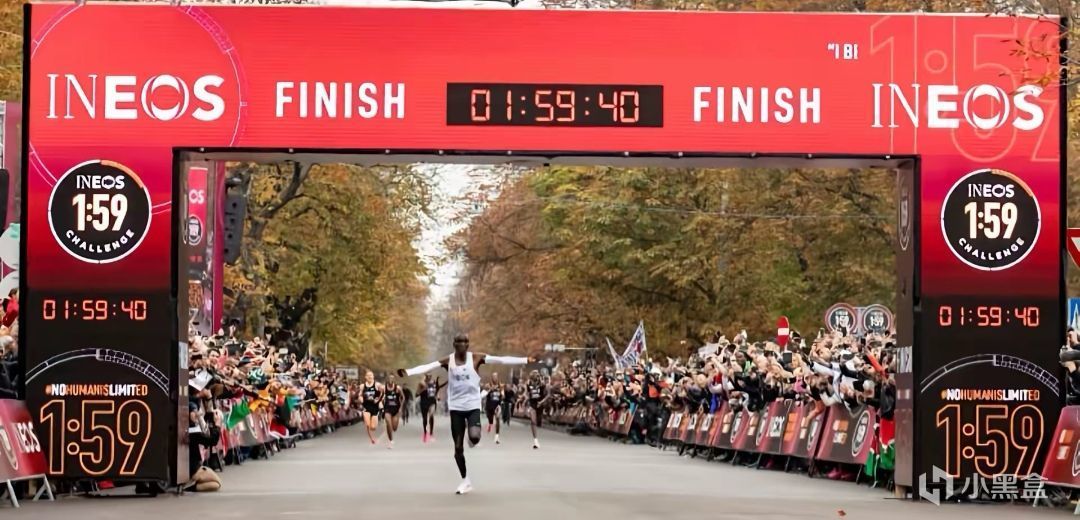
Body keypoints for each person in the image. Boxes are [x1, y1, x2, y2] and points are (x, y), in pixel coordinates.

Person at [398, 334, 533, 495]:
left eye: (464, 342)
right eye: (458, 342)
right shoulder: (448, 361)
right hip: (456, 407)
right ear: (454, 344)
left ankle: (472, 437)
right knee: (457, 448)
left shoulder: (476, 358)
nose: (461, 345)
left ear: (468, 345)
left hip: (472, 405)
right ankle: (465, 480)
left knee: (474, 437)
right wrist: (408, 371)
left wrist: (525, 360)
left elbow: (500, 360)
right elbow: (428, 366)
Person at [418, 375, 446, 443]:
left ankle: (431, 433)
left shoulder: (433, 382)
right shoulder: (421, 383)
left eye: (430, 376)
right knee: (425, 419)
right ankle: (425, 432)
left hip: (432, 401)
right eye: (428, 376)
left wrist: (437, 396)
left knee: (431, 415)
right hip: (424, 402)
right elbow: (417, 393)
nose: (429, 377)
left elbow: (436, 390)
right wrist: (423, 388)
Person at [526, 370, 550, 449]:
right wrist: (527, 404)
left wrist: (541, 402)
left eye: (537, 375)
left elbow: (548, 395)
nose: (536, 377)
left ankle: (544, 416)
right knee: (533, 421)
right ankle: (535, 441)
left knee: (538, 421)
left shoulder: (542, 384)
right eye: (534, 375)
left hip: (540, 404)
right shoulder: (528, 384)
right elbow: (528, 394)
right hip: (532, 404)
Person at [360, 370, 384, 445]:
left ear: (373, 376)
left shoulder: (377, 385)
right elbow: (360, 395)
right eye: (368, 375)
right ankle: (372, 438)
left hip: (375, 407)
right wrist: (361, 399)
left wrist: (378, 400)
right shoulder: (362, 386)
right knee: (367, 424)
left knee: (373, 427)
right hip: (366, 406)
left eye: (371, 375)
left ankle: (373, 420)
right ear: (365, 377)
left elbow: (383, 393)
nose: (369, 376)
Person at [383, 375, 406, 449]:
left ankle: (389, 430)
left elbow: (403, 398)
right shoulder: (384, 388)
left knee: (394, 428)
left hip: (396, 409)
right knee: (388, 422)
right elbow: (380, 396)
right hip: (387, 409)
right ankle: (391, 441)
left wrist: (401, 408)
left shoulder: (398, 388)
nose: (390, 379)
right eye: (389, 378)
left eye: (392, 378)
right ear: (387, 379)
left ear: (394, 380)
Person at [484, 373, 504, 444]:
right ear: (492, 378)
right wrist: (490, 389)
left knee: (497, 419)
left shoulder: (501, 385)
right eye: (493, 377)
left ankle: (497, 437)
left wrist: (502, 395)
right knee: (490, 419)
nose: (495, 378)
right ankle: (490, 424)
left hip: (497, 405)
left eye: (496, 377)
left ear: (498, 377)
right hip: (489, 405)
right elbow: (484, 394)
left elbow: (503, 395)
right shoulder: (488, 385)